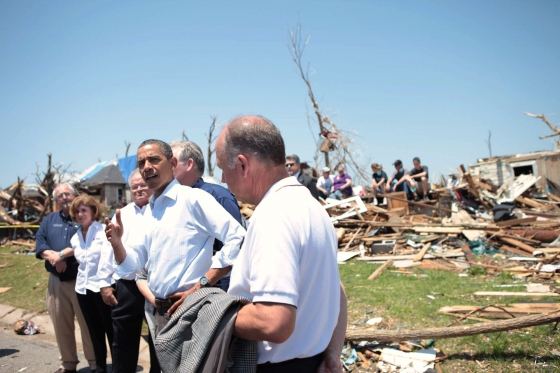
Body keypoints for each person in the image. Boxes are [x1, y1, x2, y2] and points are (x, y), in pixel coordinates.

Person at [215, 115, 347, 372]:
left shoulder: (273, 215)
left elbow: (274, 322)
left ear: (242, 165)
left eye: (223, 168)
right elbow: (337, 289)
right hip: (313, 362)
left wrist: (210, 314)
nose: (222, 179)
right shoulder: (312, 207)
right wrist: (333, 351)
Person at [105, 139, 245, 335]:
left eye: (154, 159)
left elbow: (238, 239)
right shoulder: (150, 211)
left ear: (172, 164)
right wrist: (117, 244)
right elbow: (133, 266)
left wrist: (201, 285)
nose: (146, 167)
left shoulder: (193, 199)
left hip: (193, 310)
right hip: (161, 312)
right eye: (141, 163)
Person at [98, 169, 156, 373]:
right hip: (128, 285)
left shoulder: (161, 210)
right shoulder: (122, 214)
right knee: (123, 340)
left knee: (159, 340)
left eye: (143, 184)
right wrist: (104, 283)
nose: (139, 189)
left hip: (156, 285)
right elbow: (108, 248)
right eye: (135, 186)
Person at [35, 184, 96, 373]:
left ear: (74, 195)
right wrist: (53, 257)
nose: (64, 197)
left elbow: (86, 240)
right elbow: (40, 242)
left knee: (87, 324)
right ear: (56, 200)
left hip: (81, 279)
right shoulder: (49, 219)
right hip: (56, 281)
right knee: (61, 324)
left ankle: (95, 363)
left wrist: (61, 255)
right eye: (59, 195)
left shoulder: (83, 216)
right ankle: (68, 364)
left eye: (67, 193)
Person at [169, 140, 244, 291]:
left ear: (189, 164)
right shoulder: (167, 201)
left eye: (172, 163)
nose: (166, 169)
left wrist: (204, 282)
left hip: (213, 289)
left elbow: (236, 245)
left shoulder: (218, 196)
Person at [69, 195, 115, 373]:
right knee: (94, 332)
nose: (80, 214)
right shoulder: (75, 238)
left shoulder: (103, 231)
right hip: (83, 289)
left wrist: (105, 286)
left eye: (84, 210)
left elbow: (107, 260)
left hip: (102, 288)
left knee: (110, 331)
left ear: (93, 211)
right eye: (77, 211)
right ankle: (100, 368)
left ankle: (118, 367)